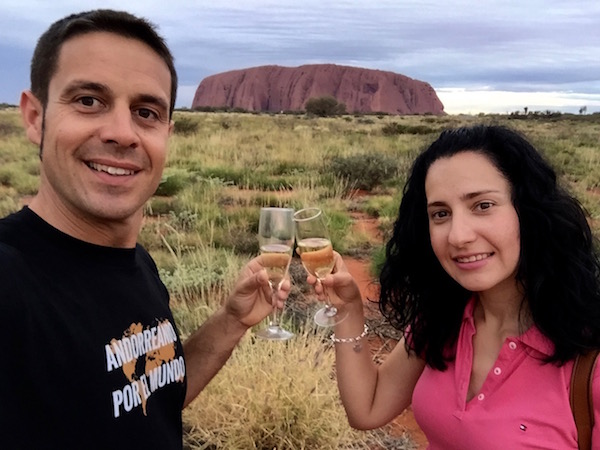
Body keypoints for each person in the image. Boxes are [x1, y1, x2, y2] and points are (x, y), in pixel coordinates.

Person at [0, 9, 288, 449]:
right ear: (35, 118)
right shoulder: (11, 280)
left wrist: (231, 321)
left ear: (167, 132)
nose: (122, 133)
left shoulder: (137, 263)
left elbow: (150, 400)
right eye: (88, 101)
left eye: (146, 112)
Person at [311, 124, 600, 449]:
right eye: (440, 214)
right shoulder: (442, 320)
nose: (458, 236)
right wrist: (348, 310)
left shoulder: (590, 358)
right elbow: (369, 407)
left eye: (483, 206)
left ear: (529, 211)